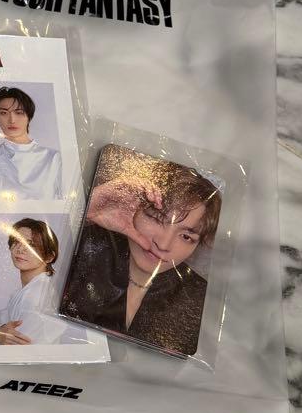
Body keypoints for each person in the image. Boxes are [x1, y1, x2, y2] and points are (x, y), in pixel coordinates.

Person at [59, 148, 220, 356]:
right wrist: (87, 209)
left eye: (186, 236)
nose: (163, 244)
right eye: (156, 218)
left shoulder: (201, 301)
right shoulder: (80, 246)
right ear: (134, 206)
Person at [0, 218, 86, 346]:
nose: (20, 249)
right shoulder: (27, 290)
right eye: (17, 241)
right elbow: (1, 328)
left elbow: (17, 345)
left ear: (49, 257)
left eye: (31, 245)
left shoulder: (38, 294)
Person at [0, 86, 63, 200]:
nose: (12, 120)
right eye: (4, 113)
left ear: (28, 116)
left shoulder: (53, 159)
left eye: (19, 112)